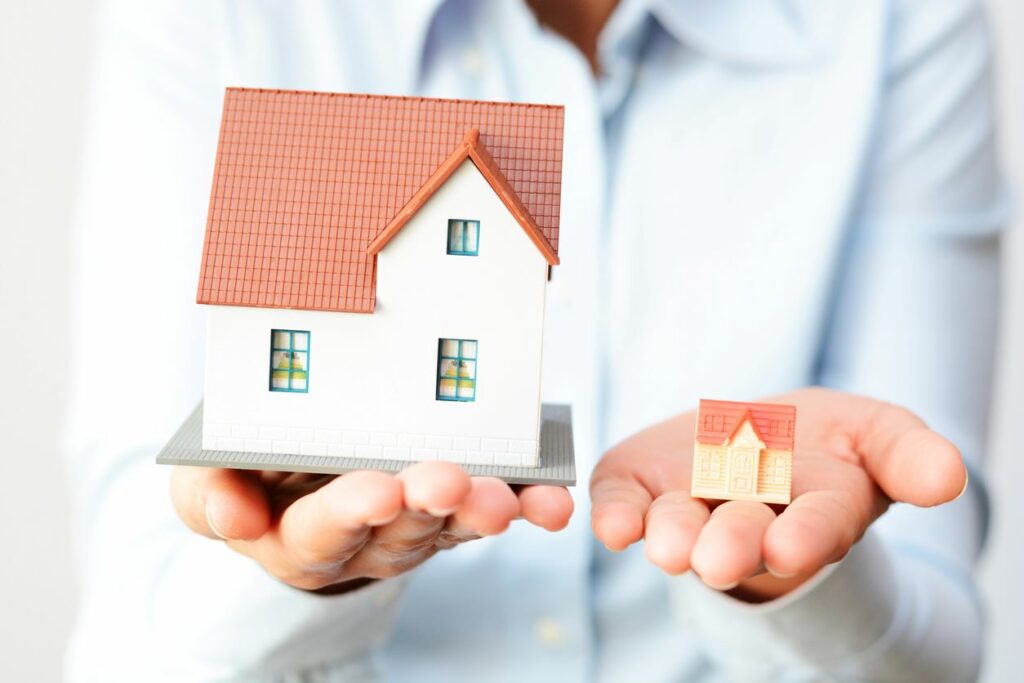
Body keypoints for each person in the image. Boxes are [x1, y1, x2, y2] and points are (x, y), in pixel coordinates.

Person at [64, 0, 1006, 681]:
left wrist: (795, 582)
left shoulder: (900, 18)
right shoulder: (208, 16)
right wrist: (292, 579)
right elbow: (136, 634)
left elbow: (935, 643)